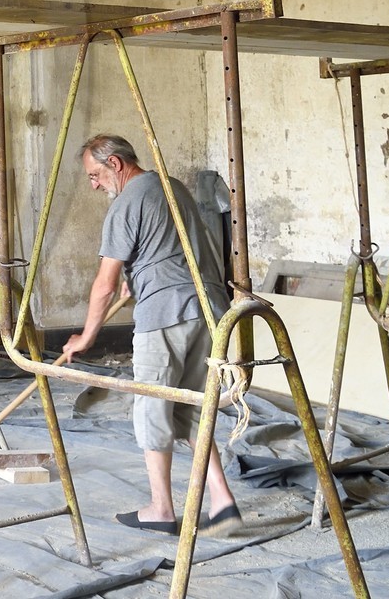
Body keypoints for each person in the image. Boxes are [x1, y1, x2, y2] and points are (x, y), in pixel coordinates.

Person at [63, 134, 242, 536]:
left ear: (116, 164)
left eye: (95, 175)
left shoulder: (126, 203)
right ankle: (222, 499)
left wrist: (87, 336)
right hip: (208, 310)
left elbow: (104, 284)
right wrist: (138, 279)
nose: (93, 185)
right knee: (192, 406)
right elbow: (165, 250)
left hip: (165, 316)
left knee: (152, 407)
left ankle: (161, 508)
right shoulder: (171, 186)